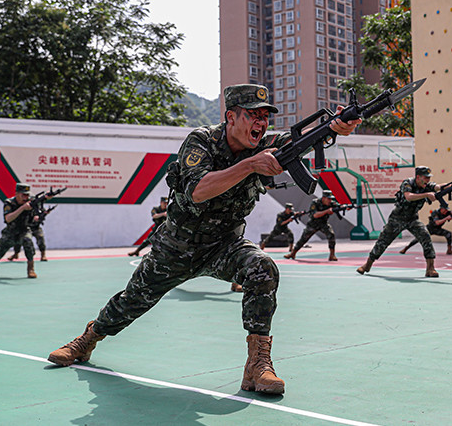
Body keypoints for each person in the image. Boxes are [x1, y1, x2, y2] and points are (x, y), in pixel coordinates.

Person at [45, 83, 360, 395]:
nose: (261, 122)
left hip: (224, 246)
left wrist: (335, 127)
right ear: (230, 117)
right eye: (253, 114)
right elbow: (198, 191)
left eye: (265, 116)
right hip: (177, 246)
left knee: (263, 269)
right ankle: (88, 339)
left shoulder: (266, 145)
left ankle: (257, 365)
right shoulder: (201, 141)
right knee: (133, 300)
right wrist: (250, 164)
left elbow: (302, 139)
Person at [357, 166, 445, 278]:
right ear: (418, 177)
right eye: (425, 177)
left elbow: (437, 187)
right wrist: (427, 195)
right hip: (397, 218)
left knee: (425, 236)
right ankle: (367, 265)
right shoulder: (407, 183)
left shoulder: (427, 186)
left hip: (412, 219)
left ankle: (430, 268)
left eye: (429, 178)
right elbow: (408, 197)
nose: (427, 180)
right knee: (383, 241)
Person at [0, 183, 38, 279]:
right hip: (11, 231)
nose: (26, 197)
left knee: (28, 242)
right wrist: (22, 208)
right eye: (23, 195)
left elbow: (42, 200)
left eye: (27, 195)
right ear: (17, 194)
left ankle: (31, 269)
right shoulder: (9, 203)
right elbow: (8, 219)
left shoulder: (31, 200)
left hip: (24, 229)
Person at [285, 190, 338, 261]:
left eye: (331, 199)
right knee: (303, 239)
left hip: (323, 223)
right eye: (328, 199)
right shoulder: (315, 202)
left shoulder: (331, 203)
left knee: (331, 235)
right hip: (313, 224)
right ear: (323, 198)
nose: (330, 200)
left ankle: (332, 255)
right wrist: (327, 211)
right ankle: (293, 253)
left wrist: (346, 207)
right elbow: (315, 215)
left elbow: (339, 206)